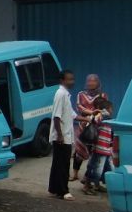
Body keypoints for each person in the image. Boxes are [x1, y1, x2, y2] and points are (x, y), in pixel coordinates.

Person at [48, 70, 91, 200]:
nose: (72, 82)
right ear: (62, 80)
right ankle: (63, 191)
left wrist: (87, 119)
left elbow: (72, 114)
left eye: (73, 79)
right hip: (62, 136)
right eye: (69, 79)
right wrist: (60, 135)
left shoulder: (66, 95)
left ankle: (54, 188)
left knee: (57, 163)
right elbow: (56, 116)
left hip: (65, 135)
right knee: (63, 164)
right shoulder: (60, 94)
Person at [70, 74, 108, 181]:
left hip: (96, 126)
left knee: (94, 152)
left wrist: (95, 117)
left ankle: (88, 177)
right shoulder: (81, 94)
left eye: (93, 81)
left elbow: (104, 110)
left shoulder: (103, 95)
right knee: (79, 150)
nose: (90, 83)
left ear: (98, 82)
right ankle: (75, 174)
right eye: (89, 81)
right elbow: (79, 107)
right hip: (83, 125)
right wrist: (91, 112)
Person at [83, 97, 114, 195]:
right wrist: (102, 111)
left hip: (106, 149)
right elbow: (95, 119)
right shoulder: (101, 117)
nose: (112, 111)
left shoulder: (108, 120)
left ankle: (97, 185)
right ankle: (87, 186)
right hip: (100, 149)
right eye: (111, 109)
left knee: (107, 169)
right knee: (96, 169)